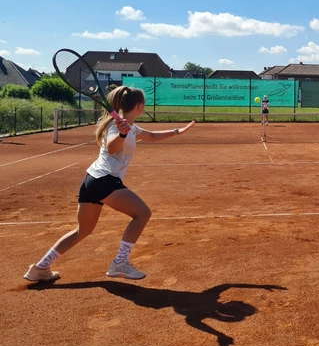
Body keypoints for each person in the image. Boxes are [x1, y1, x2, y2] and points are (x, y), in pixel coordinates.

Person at [24, 86, 195, 282]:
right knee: (143, 213)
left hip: (92, 180)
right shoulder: (117, 126)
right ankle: (120, 263)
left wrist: (177, 131)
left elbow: (152, 136)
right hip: (105, 180)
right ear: (139, 106)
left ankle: (40, 267)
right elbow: (112, 148)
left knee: (83, 230)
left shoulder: (131, 126)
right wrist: (121, 134)